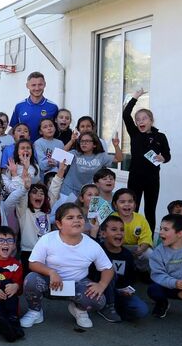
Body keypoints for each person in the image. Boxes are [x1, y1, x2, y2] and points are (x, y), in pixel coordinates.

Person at [20, 203, 114, 331]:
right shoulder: (47, 239)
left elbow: (108, 268)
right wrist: (51, 272)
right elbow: (33, 263)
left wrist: (102, 285)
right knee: (31, 280)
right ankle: (35, 311)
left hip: (77, 286)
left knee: (99, 300)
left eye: (80, 217)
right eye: (70, 218)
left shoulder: (92, 245)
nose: (76, 220)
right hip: (50, 284)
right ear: (59, 224)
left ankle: (79, 310)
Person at [123, 89, 171, 231]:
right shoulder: (134, 133)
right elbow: (126, 114)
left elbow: (167, 155)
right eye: (138, 119)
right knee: (133, 208)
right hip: (135, 176)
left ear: (151, 120)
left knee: (150, 209)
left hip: (152, 178)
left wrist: (163, 158)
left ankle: (148, 237)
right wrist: (135, 97)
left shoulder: (160, 136)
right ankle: (130, 235)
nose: (140, 121)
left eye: (144, 118)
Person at [96, 215, 149, 322]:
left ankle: (115, 307)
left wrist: (126, 290)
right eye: (114, 229)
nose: (119, 233)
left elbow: (130, 278)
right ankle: (107, 306)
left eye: (122, 230)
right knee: (110, 272)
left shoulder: (127, 255)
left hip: (119, 292)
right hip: (99, 289)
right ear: (103, 233)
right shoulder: (97, 249)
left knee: (142, 310)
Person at [61, 131, 122, 198]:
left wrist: (116, 146)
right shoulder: (75, 153)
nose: (84, 143)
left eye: (87, 141)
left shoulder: (101, 156)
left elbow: (119, 159)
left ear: (94, 144)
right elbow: (60, 154)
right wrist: (72, 141)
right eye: (82, 141)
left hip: (89, 192)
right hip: (69, 189)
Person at [111, 188, 154, 271]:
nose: (127, 204)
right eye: (122, 202)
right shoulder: (112, 218)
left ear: (134, 205)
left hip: (136, 248)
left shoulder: (140, 219)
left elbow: (146, 238)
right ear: (115, 205)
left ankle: (142, 270)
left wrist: (141, 249)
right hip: (117, 247)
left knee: (149, 254)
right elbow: (108, 237)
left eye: (130, 201)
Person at [9, 71, 59, 142]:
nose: (37, 88)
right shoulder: (19, 106)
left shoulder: (53, 107)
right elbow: (13, 130)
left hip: (45, 148)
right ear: (27, 86)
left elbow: (58, 130)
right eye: (33, 85)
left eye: (40, 84)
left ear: (45, 84)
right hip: (25, 147)